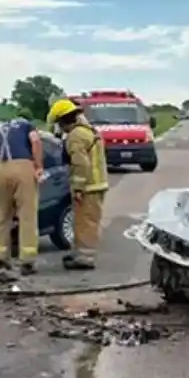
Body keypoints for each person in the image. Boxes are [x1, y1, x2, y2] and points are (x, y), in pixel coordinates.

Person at [48, 99, 107, 270]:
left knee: (85, 223)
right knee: (83, 222)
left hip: (89, 187)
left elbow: (81, 164)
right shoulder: (87, 131)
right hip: (96, 183)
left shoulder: (76, 136)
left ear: (62, 121)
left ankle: (85, 257)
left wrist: (78, 188)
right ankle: (80, 253)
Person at [0, 115, 45, 273]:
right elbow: (36, 141)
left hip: (0, 169)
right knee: (27, 214)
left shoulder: (0, 130)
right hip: (22, 167)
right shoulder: (26, 125)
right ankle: (27, 260)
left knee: (3, 214)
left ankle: (1, 257)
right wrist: (39, 166)